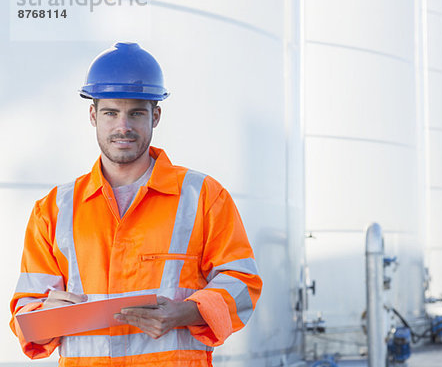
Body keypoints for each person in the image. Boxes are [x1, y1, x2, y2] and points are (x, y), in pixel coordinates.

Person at [9, 42, 262, 366]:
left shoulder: (203, 196)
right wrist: (44, 317)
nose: (123, 126)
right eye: (111, 112)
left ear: (155, 116)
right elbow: (25, 318)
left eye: (136, 113)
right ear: (93, 115)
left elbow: (243, 284)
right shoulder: (54, 209)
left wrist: (185, 312)